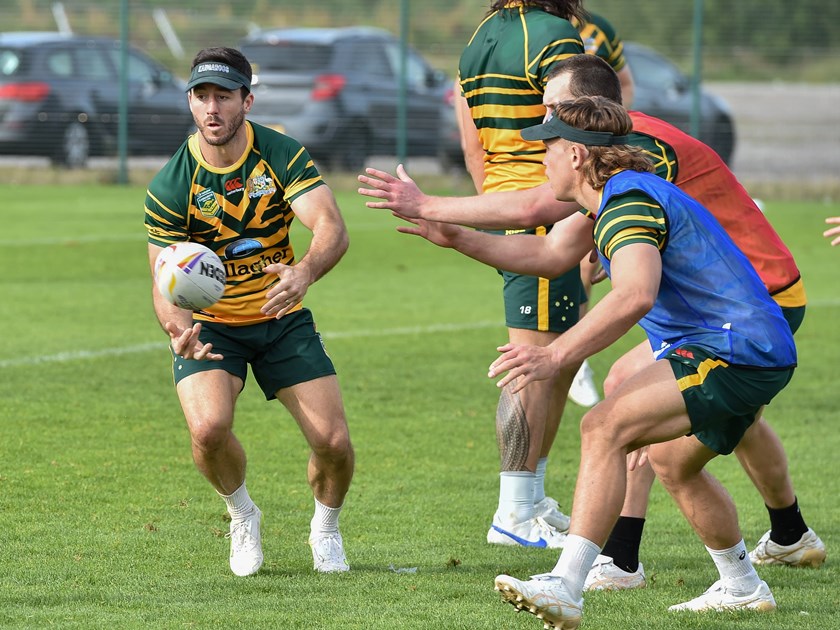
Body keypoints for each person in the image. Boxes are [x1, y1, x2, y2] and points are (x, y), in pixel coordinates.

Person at [359, 53, 824, 586]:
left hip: (750, 303)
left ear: (585, 133)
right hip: (720, 316)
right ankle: (770, 549)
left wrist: (428, 204)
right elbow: (552, 254)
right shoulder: (614, 173)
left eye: (556, 114)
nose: (546, 129)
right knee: (676, 450)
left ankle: (613, 562)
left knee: (624, 409)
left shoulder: (633, 161)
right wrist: (456, 236)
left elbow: (550, 223)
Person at [144, 47, 354, 576]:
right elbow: (163, 279)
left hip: (282, 319)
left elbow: (330, 227)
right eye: (200, 96)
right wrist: (178, 330)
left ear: (247, 100)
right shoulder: (172, 184)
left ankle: (325, 527)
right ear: (190, 103)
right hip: (214, 327)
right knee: (208, 429)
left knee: (333, 443)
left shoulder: (280, 154)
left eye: (223, 96)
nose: (211, 108)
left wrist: (303, 271)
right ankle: (242, 515)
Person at [453, 0, 587, 549]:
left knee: (556, 361)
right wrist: (578, 212)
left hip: (517, 208)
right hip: (547, 209)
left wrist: (499, 209)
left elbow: (471, 145)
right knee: (533, 363)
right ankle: (512, 512)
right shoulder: (555, 33)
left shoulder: (479, 37)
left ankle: (530, 499)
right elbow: (583, 134)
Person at [566, 11, 635, 407]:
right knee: (577, 257)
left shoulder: (600, 30)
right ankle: (577, 361)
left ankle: (574, 357)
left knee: (583, 257)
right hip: (572, 160)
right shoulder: (536, 28)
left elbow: (624, 84)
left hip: (598, 159)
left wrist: (612, 128)